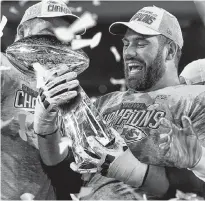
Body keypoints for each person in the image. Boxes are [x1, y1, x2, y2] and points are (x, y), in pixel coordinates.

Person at [34, 5, 205, 200]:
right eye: (126, 43)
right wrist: (46, 127)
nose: (129, 52)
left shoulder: (196, 99)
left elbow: (197, 187)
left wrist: (136, 172)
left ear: (170, 51)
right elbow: (67, 179)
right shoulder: (103, 104)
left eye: (141, 44)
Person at [1, 0, 84, 199]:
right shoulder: (4, 68)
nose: (54, 45)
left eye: (62, 38)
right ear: (21, 34)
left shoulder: (66, 89)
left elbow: (67, 169)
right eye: (47, 34)